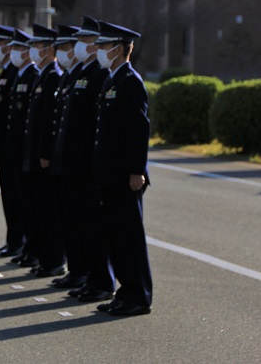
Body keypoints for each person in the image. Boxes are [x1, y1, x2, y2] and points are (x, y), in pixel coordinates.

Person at [50, 16, 114, 301]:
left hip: (85, 163)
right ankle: (80, 272)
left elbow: (95, 124)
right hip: (70, 162)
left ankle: (99, 280)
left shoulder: (100, 74)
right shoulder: (77, 73)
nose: (76, 47)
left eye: (82, 42)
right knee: (74, 222)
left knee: (91, 226)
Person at [92, 20, 153, 316]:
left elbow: (138, 130)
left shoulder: (130, 81)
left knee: (129, 239)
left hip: (125, 176)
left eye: (104, 46)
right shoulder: (111, 79)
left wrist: (136, 171)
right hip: (109, 174)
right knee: (115, 238)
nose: (99, 50)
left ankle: (138, 296)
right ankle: (125, 291)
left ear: (119, 48)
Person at [21, 24, 66, 278]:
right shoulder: (43, 75)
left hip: (44, 158)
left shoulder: (53, 76)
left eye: (37, 46)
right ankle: (44, 257)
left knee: (49, 211)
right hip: (36, 155)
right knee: (38, 209)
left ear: (49, 49)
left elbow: (51, 120)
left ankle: (54, 260)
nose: (33, 50)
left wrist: (45, 153)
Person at [4, 28, 40, 268]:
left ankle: (32, 248)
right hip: (15, 148)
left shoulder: (35, 74)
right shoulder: (18, 74)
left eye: (18, 48)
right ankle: (22, 245)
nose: (13, 52)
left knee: (32, 204)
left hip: (27, 150)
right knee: (16, 199)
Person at [0, 24, 23, 258]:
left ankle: (19, 240)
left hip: (15, 147)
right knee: (9, 197)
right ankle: (13, 239)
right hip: (4, 144)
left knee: (18, 198)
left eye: (1, 44)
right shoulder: (8, 72)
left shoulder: (18, 72)